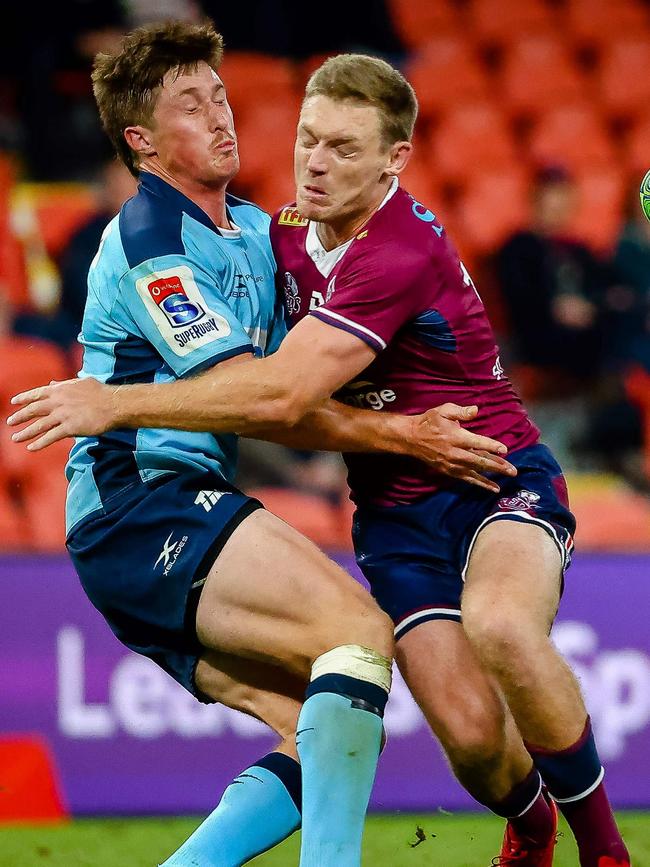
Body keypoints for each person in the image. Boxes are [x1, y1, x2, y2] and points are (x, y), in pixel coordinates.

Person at [6, 24, 520, 867]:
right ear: (141, 141)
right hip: (143, 506)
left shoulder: (253, 227)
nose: (220, 117)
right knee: (356, 630)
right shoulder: (153, 245)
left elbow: (302, 377)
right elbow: (267, 400)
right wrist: (404, 435)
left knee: (312, 724)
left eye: (218, 93)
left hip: (163, 518)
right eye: (189, 105)